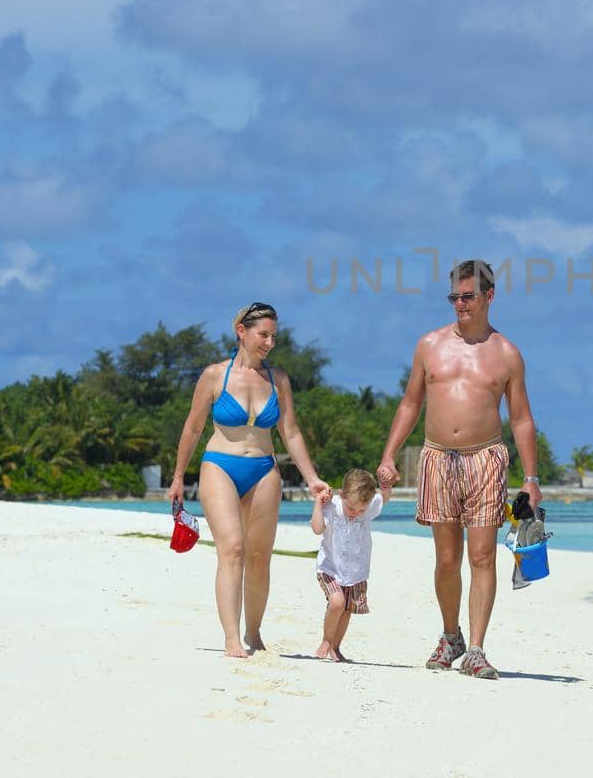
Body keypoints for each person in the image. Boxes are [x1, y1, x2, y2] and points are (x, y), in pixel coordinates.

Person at [376, 259, 542, 680]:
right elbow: (411, 403)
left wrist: (531, 480)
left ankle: (478, 649)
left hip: (486, 457)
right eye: (455, 297)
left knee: (482, 555)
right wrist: (389, 455)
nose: (461, 304)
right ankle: (452, 636)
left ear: (489, 295)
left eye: (468, 296)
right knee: (447, 560)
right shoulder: (429, 344)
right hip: (436, 456)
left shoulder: (507, 354)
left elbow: (521, 418)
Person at [168, 301, 329, 658]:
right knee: (233, 549)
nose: (269, 343)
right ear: (242, 331)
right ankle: (230, 637)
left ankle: (254, 633)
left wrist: (312, 478)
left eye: (274, 336)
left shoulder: (278, 380)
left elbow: (291, 432)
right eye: (263, 335)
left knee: (259, 555)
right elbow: (193, 427)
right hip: (219, 466)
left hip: (263, 469)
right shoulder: (215, 375)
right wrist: (179, 476)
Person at [309, 467, 393, 662]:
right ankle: (326, 640)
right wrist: (318, 505)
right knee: (337, 602)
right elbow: (317, 528)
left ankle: (335, 647)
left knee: (346, 609)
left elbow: (385, 497)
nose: (356, 513)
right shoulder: (333, 506)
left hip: (355, 571)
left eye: (361, 510)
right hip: (329, 567)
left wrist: (386, 482)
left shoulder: (368, 505)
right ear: (342, 495)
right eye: (351, 508)